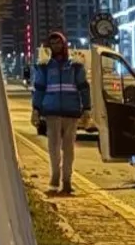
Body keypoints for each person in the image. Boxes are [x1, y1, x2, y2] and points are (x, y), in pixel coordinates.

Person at [31, 31, 91, 194]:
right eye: (53, 43)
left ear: (64, 44)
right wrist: (36, 110)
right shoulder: (44, 67)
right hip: (51, 113)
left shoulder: (75, 66)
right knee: (53, 148)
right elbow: (39, 89)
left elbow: (84, 88)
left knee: (68, 149)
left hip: (71, 113)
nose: (56, 46)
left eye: (58, 43)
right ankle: (55, 178)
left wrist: (86, 109)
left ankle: (67, 181)